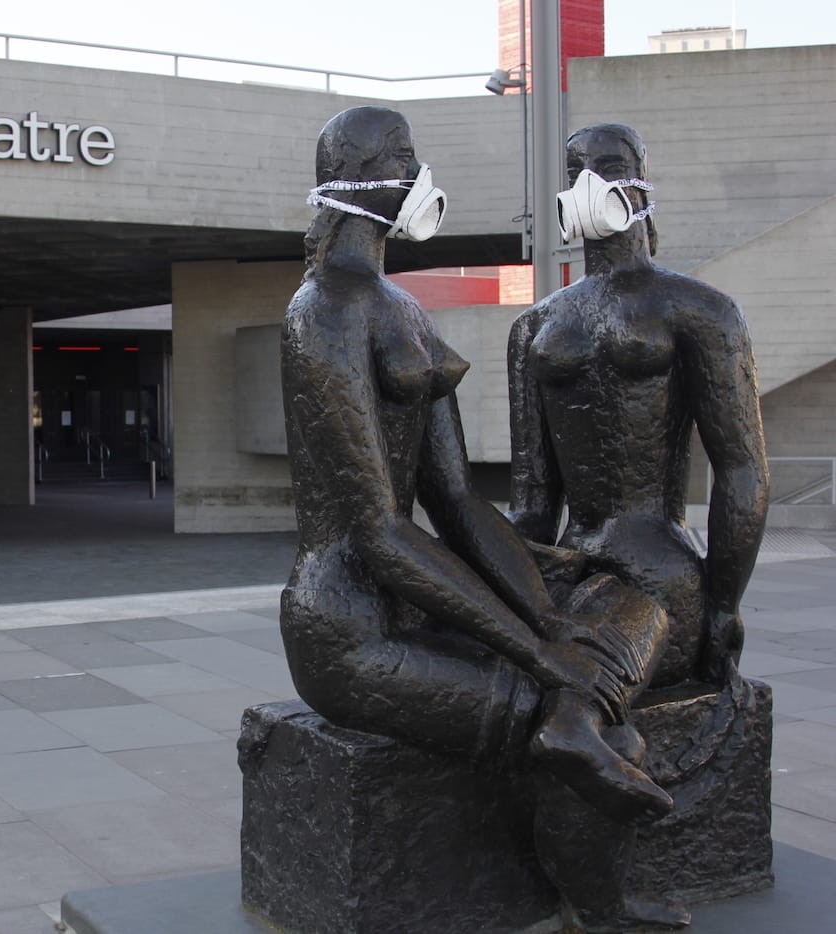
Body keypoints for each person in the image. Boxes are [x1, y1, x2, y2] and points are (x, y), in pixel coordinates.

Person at [280, 106, 685, 931]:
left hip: (414, 605)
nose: (417, 173)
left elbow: (459, 503)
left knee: (633, 600)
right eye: (401, 157)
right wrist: (535, 648)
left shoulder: (406, 311)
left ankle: (575, 723)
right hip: (350, 630)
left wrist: (545, 611)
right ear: (360, 178)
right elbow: (378, 534)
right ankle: (597, 904)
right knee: (598, 729)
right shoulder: (321, 309)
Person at [508, 123, 769, 689]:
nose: (589, 183)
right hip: (571, 571)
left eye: (605, 166)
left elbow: (743, 469)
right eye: (576, 171)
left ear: (638, 185)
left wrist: (725, 604)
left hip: (660, 574)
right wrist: (515, 593)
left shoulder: (700, 309)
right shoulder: (534, 326)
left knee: (579, 701)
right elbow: (531, 500)